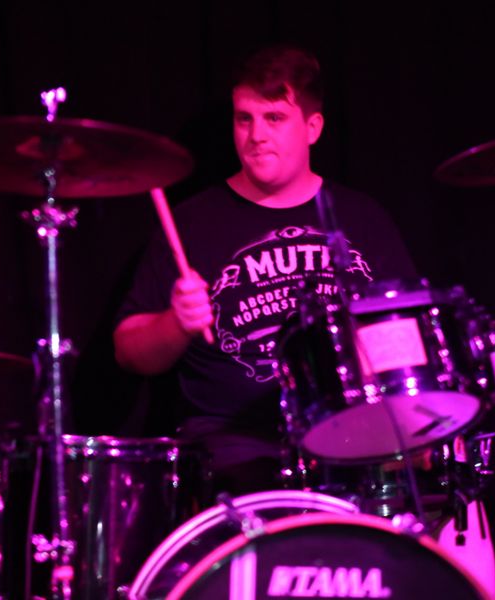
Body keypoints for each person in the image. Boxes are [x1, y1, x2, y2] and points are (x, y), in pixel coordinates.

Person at [113, 44, 418, 495]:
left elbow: (408, 334)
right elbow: (128, 350)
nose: (256, 135)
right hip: (231, 452)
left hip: (352, 439)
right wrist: (176, 323)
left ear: (312, 128)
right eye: (244, 118)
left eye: (274, 118)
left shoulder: (361, 217)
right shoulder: (191, 222)